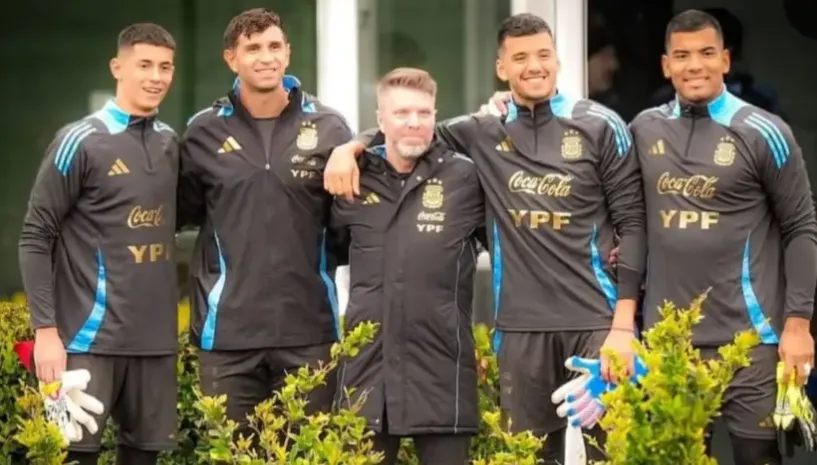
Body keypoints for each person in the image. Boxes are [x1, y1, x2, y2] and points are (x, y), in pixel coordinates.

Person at [324, 13, 647, 463]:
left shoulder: (600, 125)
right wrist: (350, 147)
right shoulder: (481, 131)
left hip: (594, 322)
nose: (533, 66)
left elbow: (633, 224)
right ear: (502, 68)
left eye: (542, 55)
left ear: (557, 59)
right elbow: (409, 131)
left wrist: (623, 327)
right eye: (520, 58)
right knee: (527, 458)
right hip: (519, 331)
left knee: (613, 455)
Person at [630, 10, 816, 464]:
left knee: (758, 458)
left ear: (726, 61)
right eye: (683, 55)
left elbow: (801, 228)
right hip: (668, 341)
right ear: (665, 65)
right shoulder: (642, 129)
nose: (695, 65)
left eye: (707, 53)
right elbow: (621, 218)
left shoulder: (765, 131)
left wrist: (798, 324)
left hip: (750, 339)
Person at [177, 8, 353, 437]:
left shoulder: (329, 127)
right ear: (230, 59)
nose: (265, 57)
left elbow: (348, 229)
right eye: (252, 48)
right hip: (227, 336)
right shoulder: (202, 132)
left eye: (274, 46)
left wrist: (358, 146)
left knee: (308, 456)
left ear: (288, 53)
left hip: (310, 333)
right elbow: (183, 213)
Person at [18, 23, 179, 465]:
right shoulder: (79, 140)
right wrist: (46, 333)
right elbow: (35, 235)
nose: (156, 77)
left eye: (165, 67)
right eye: (144, 64)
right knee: (71, 457)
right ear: (117, 67)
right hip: (85, 342)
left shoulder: (170, 143)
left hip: (155, 345)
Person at [330, 67, 485, 464]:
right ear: (380, 121)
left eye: (424, 112)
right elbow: (328, 252)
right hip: (368, 378)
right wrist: (347, 150)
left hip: (441, 375)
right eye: (401, 114)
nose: (414, 123)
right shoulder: (353, 180)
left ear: (435, 115)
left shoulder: (465, 178)